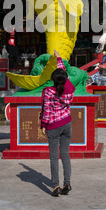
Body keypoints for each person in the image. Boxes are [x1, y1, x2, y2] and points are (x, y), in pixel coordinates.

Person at [40, 50, 75, 197]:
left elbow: (46, 110)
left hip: (53, 126)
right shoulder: (69, 89)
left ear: (53, 80)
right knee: (65, 155)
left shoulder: (49, 92)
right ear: (65, 79)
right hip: (67, 124)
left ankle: (55, 186)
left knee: (54, 156)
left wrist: (43, 125)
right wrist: (59, 57)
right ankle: (67, 183)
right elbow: (63, 72)